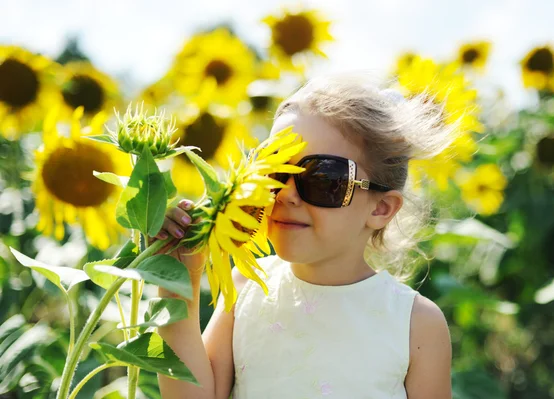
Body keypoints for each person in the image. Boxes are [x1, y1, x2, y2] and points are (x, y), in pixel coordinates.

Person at [154, 74, 453, 398]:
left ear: (380, 208)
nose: (286, 194)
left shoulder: (416, 323)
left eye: (322, 178)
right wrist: (178, 280)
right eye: (273, 171)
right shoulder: (247, 289)